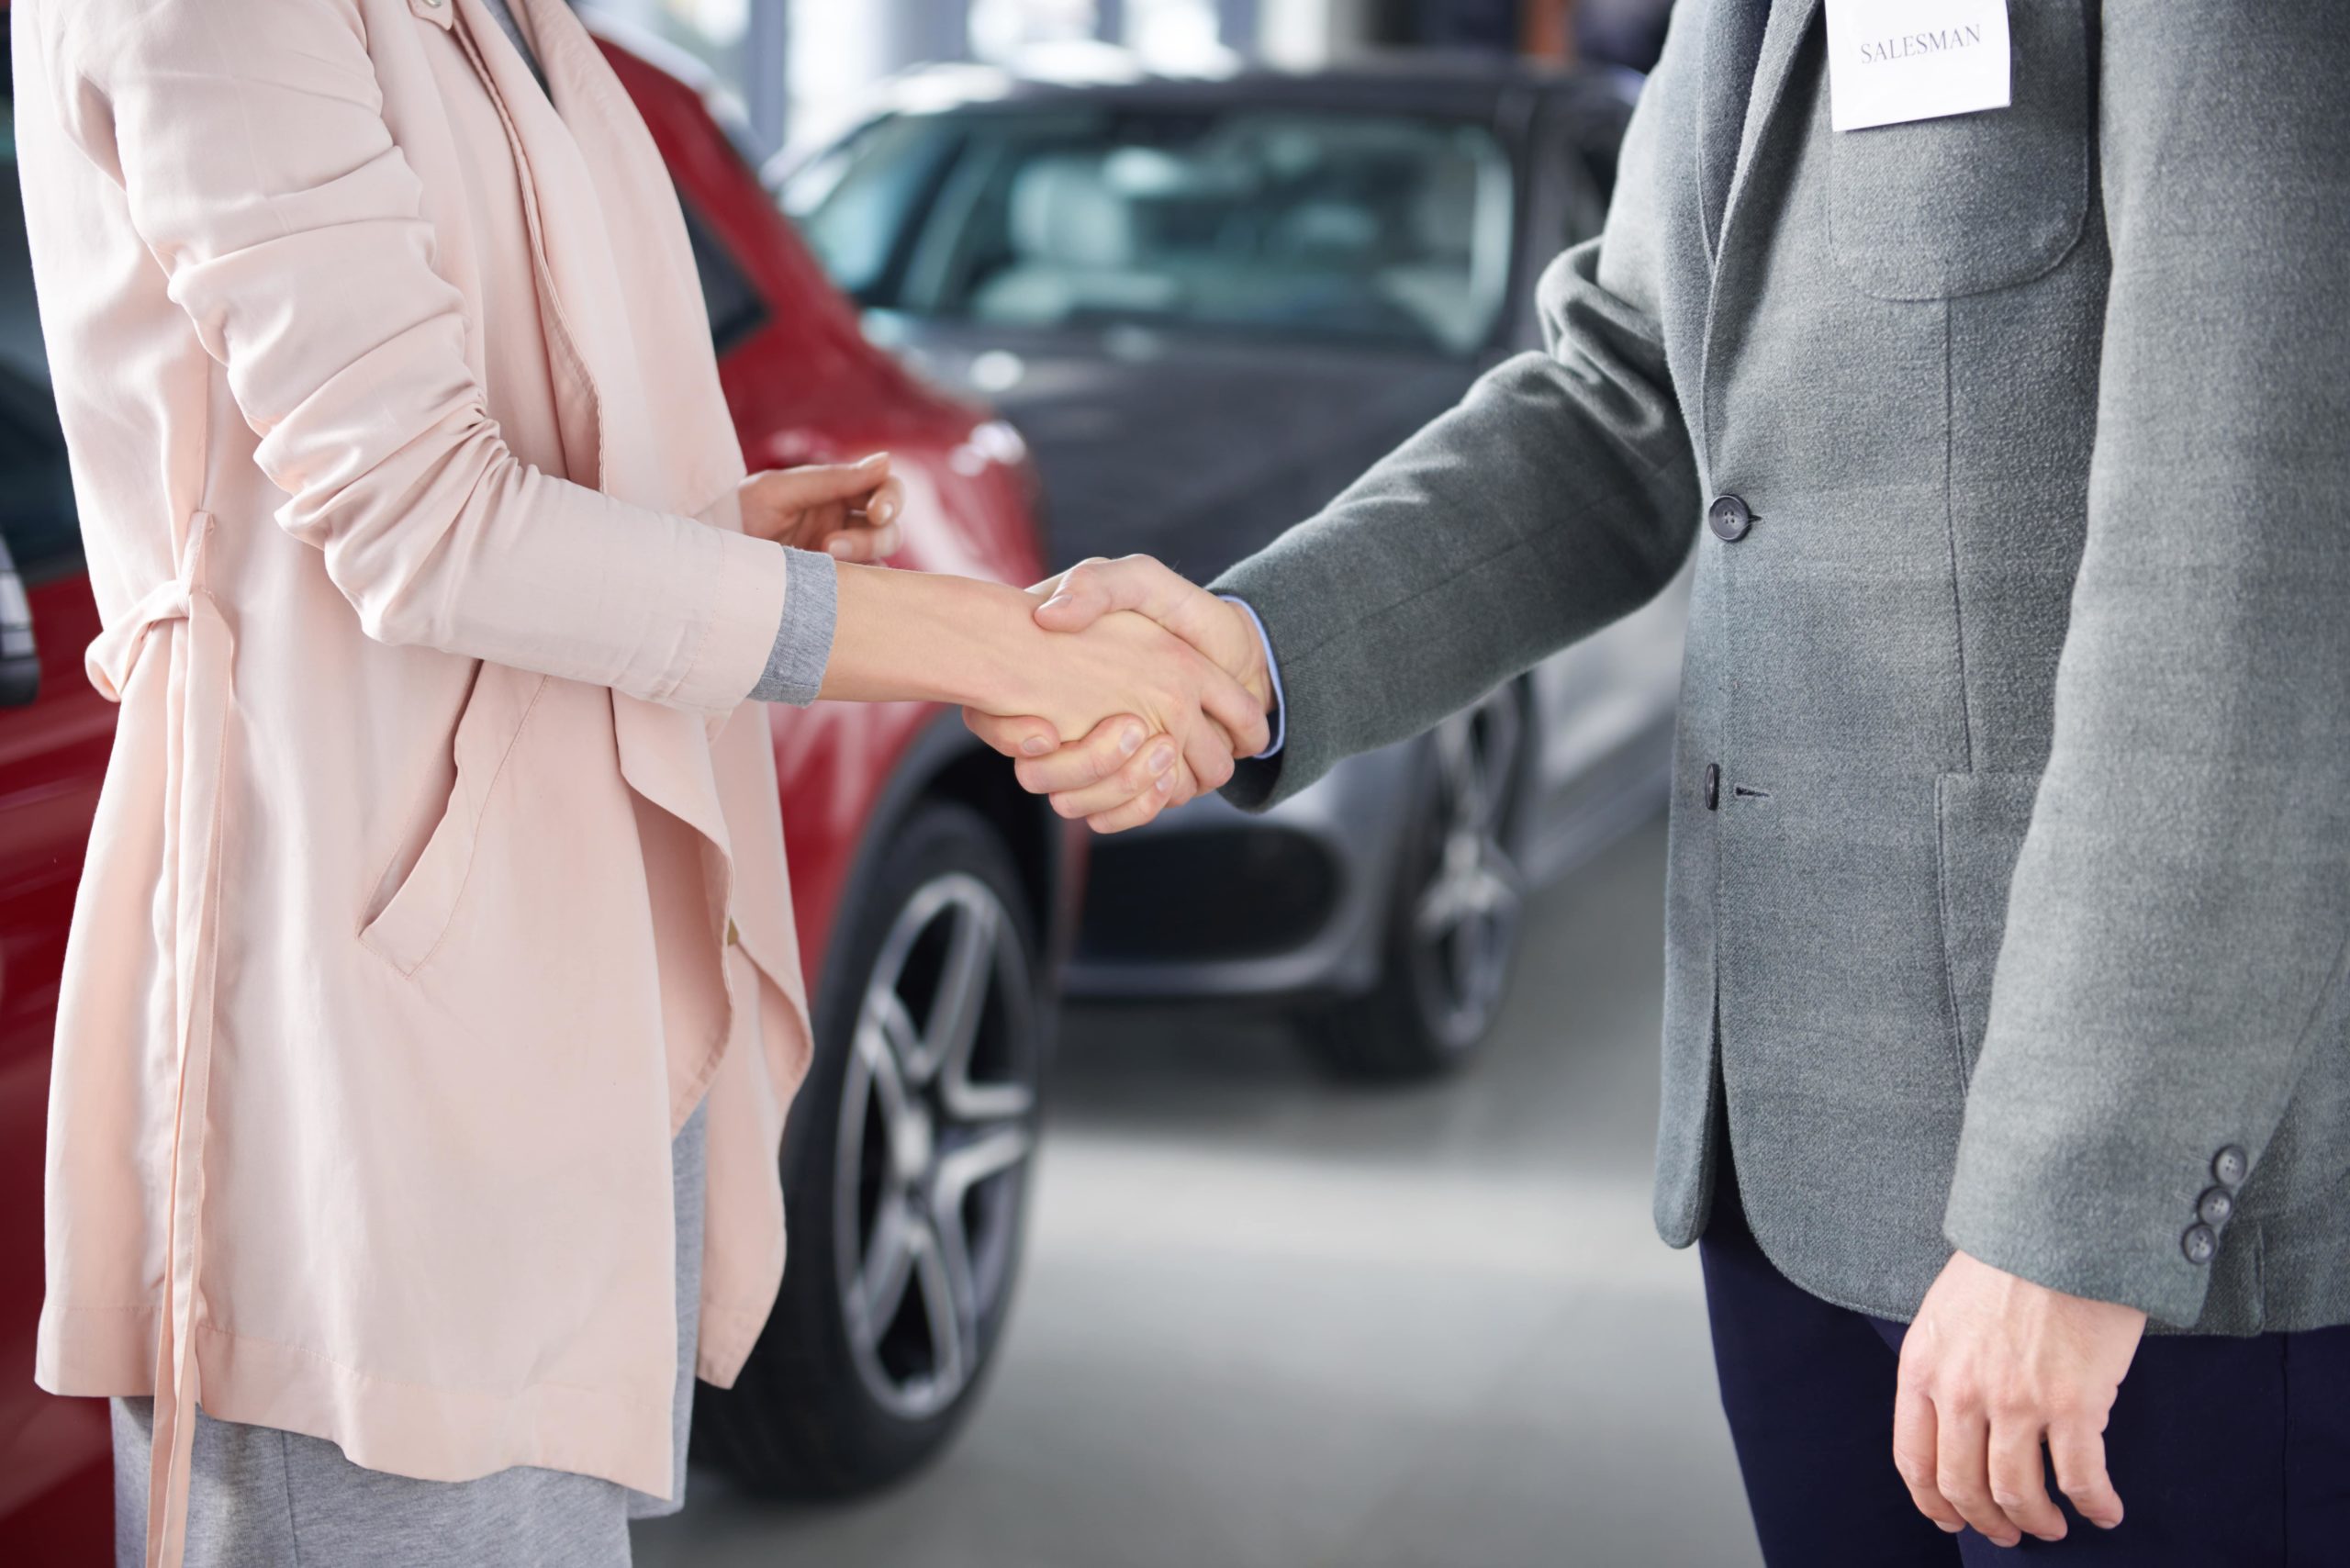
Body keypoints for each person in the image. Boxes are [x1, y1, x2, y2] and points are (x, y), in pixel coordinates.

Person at [971, 1, 2350, 1562]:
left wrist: (2075, 1219)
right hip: (1792, 1151)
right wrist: (1253, 646)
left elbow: (2251, 548)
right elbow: (1624, 400)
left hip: (2120, 1219)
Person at [11, 1, 1256, 1564]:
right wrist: (990, 644)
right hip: (361, 1005)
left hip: (577, 964)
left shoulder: (520, 18)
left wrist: (705, 531)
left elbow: (473, 437)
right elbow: (424, 525)